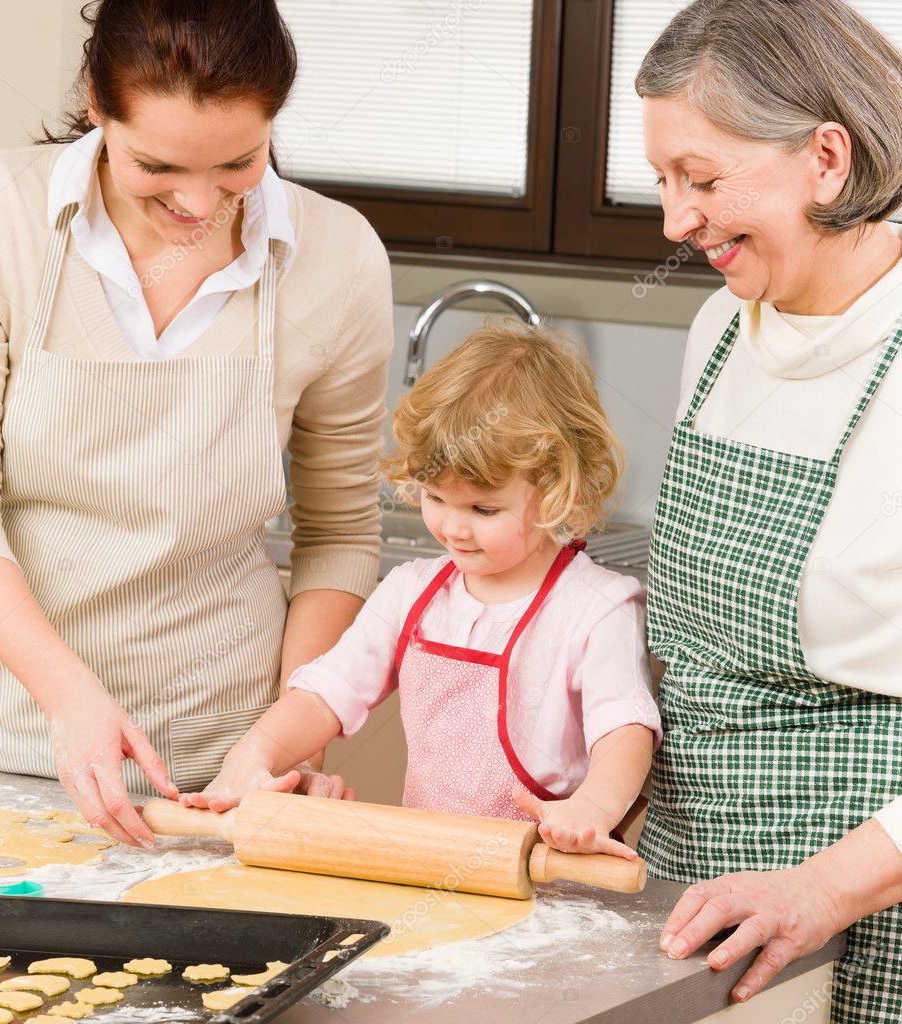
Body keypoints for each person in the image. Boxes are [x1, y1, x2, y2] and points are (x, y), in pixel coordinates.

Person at [0, 0, 393, 847]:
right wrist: (70, 699)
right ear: (96, 103)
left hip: (221, 776)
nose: (200, 203)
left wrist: (279, 738)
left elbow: (341, 531)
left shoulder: (338, 256)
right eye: (158, 166)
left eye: (239, 162)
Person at [636, 0, 902, 1018]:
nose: (673, 221)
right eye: (662, 181)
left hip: (866, 910)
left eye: (701, 180)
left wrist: (820, 890)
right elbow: (694, 656)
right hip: (688, 894)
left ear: (825, 158)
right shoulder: (717, 329)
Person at [180, 320, 661, 858]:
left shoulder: (595, 609)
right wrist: (253, 755)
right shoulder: (413, 592)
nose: (453, 528)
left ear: (558, 491)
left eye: (483, 509)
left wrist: (591, 811)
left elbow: (624, 730)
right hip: (430, 859)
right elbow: (324, 696)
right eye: (436, 498)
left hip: (551, 874)